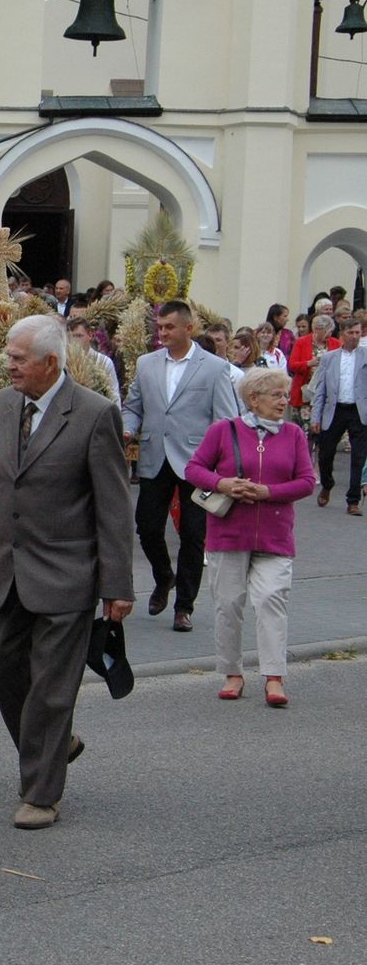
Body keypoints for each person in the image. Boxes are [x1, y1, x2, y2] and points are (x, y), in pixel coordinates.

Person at [0, 315, 134, 830]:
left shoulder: (94, 414)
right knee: (0, 662)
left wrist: (117, 585)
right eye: (8, 356)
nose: (7, 365)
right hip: (7, 569)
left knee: (54, 689)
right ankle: (58, 742)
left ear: (51, 363)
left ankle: (41, 793)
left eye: (18, 359)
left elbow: (113, 506)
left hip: (67, 573)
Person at [185, 369, 313, 709]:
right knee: (228, 604)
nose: (284, 401)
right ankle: (232, 672)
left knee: (272, 599)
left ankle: (274, 676)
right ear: (253, 398)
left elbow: (306, 482)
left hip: (275, 535)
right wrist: (224, 484)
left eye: (285, 395)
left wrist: (268, 492)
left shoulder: (294, 434)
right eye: (276, 395)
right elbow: (194, 469)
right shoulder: (223, 431)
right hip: (228, 533)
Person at [123, 300, 240, 633]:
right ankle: (164, 576)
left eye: (169, 327)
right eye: (159, 327)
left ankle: (184, 606)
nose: (162, 333)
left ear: (189, 328)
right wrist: (127, 427)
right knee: (146, 527)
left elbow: (227, 420)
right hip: (155, 456)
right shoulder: (147, 364)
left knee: (192, 535)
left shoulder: (214, 368)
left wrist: (222, 466)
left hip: (197, 463)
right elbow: (133, 406)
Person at [310, 315, 367, 515]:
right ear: (342, 334)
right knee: (325, 453)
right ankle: (327, 483)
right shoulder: (329, 358)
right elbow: (320, 390)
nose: (354, 337)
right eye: (350, 333)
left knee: (358, 456)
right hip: (335, 409)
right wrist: (315, 417)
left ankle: (353, 500)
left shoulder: (365, 356)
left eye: (357, 333)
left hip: (358, 410)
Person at [288, 313, 339, 428]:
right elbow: (292, 365)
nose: (329, 334)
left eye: (331, 331)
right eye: (327, 331)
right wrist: (308, 363)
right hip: (305, 392)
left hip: (326, 393)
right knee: (305, 428)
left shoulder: (336, 343)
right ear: (316, 329)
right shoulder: (301, 342)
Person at [67, 316, 120, 405]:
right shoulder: (64, 362)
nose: (74, 341)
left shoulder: (104, 362)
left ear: (90, 335)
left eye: (79, 336)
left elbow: (114, 396)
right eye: (71, 337)